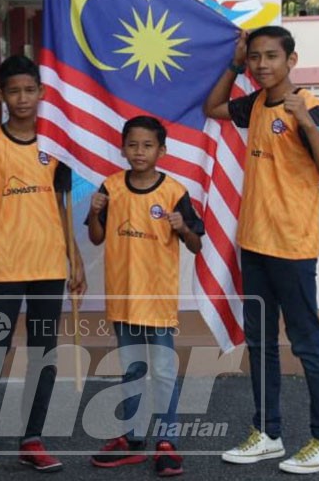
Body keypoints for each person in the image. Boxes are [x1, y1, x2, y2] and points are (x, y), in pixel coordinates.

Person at [203, 26, 319, 475]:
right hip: (255, 244)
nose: (262, 65)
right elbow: (212, 108)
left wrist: (305, 121)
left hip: (292, 246)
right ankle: (267, 433)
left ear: (292, 60)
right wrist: (232, 61)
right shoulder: (254, 104)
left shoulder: (312, 107)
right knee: (262, 344)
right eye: (256, 58)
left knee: (307, 344)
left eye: (271, 57)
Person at [0, 54, 86, 479]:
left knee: (43, 355)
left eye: (30, 90)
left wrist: (75, 259)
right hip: (5, 269)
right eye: (14, 91)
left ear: (42, 93)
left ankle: (32, 441)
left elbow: (62, 204)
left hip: (48, 268)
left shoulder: (54, 144)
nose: (22, 98)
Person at [86, 116, 204, 477]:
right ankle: (133, 438)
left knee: (164, 371)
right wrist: (94, 213)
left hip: (158, 299)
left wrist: (182, 227)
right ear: (122, 149)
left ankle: (167, 441)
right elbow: (95, 237)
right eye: (133, 145)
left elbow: (196, 244)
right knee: (132, 370)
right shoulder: (111, 188)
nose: (139, 152)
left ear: (162, 151)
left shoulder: (174, 192)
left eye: (148, 145)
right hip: (123, 299)